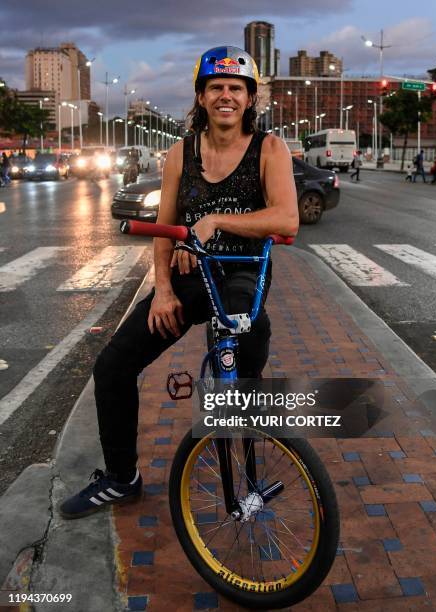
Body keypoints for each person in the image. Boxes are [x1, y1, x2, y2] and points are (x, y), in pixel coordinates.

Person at [59, 45, 298, 519]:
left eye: (236, 88)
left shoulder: (269, 148)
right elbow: (166, 229)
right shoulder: (179, 154)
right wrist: (163, 290)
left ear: (250, 99)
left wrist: (215, 221)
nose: (226, 96)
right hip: (189, 278)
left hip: (243, 274)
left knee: (242, 359)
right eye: (216, 88)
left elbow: (287, 219)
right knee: (112, 366)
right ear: (201, 96)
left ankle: (247, 473)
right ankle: (121, 478)